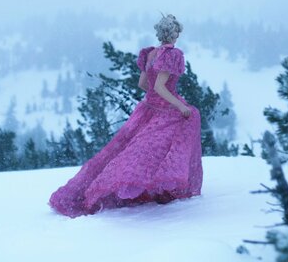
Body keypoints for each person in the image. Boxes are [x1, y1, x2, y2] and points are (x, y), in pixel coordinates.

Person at [48, 14, 203, 217]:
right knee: (188, 120)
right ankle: (166, 187)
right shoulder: (172, 54)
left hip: (148, 107)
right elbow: (159, 86)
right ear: (174, 33)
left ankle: (131, 186)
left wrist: (156, 98)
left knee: (130, 151)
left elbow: (144, 85)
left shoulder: (151, 54)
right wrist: (180, 106)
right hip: (164, 110)